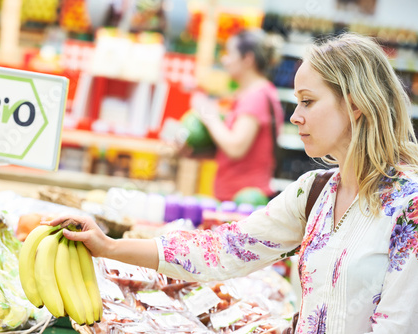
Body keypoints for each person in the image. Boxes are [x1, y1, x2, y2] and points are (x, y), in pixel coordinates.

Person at [46, 33, 418, 333]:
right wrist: (109, 247)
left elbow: (397, 325)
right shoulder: (315, 192)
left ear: (355, 105)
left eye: (307, 102)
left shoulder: (408, 206)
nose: (294, 117)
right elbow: (223, 249)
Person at [189, 29, 285, 201]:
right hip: (233, 198)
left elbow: (235, 148)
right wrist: (191, 151)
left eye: (230, 53)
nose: (224, 60)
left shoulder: (257, 96)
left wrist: (207, 114)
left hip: (245, 202)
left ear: (248, 59)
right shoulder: (251, 94)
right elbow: (232, 151)